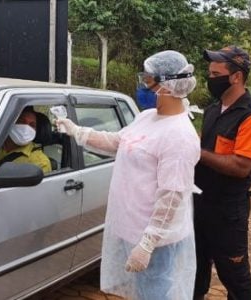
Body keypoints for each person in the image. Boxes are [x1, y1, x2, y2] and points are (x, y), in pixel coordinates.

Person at [56, 50, 200, 299]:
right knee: (142, 292)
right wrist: (76, 131)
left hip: (156, 240)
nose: (142, 85)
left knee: (156, 293)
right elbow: (117, 142)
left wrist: (147, 243)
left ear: (166, 84)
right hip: (130, 228)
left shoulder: (179, 135)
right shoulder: (147, 117)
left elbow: (172, 195)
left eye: (147, 80)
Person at [193, 46, 251, 300]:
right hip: (200, 205)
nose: (210, 79)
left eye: (216, 73)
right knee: (195, 271)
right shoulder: (213, 109)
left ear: (236, 77)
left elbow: (241, 166)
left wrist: (197, 151)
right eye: (209, 73)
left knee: (234, 278)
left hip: (227, 214)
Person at [0, 107, 52, 174]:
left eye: (32, 125)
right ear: (9, 123)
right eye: (21, 121)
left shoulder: (40, 162)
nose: (25, 128)